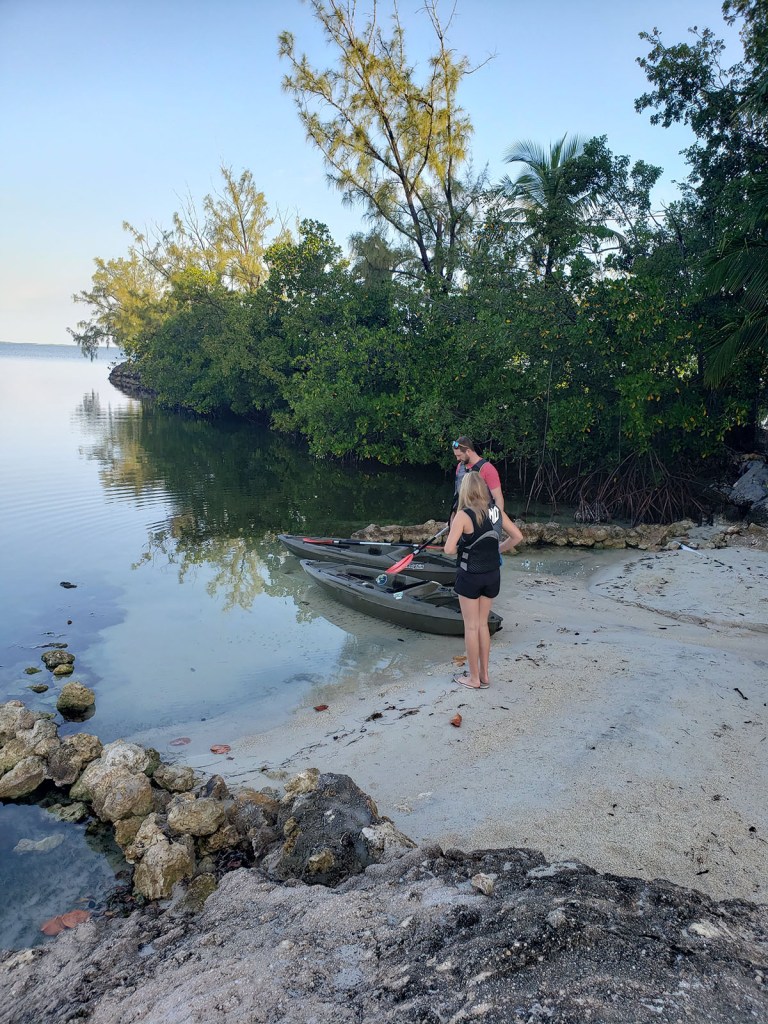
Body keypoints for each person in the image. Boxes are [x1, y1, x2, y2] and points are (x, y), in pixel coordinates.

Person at [444, 471, 523, 690]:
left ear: (465, 491)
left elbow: (449, 549)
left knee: (471, 627)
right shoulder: (496, 512)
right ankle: (485, 675)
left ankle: (473, 678)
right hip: (492, 575)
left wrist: (459, 539)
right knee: (482, 625)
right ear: (483, 490)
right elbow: (517, 536)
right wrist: (499, 548)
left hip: (469, 575)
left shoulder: (463, 515)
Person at [450, 436, 504, 521]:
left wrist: (496, 521)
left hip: (481, 518)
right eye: (456, 456)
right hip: (462, 516)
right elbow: (457, 495)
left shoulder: (487, 469)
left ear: (468, 451)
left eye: (459, 455)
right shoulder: (460, 467)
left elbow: (498, 498)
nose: (457, 459)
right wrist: (453, 517)